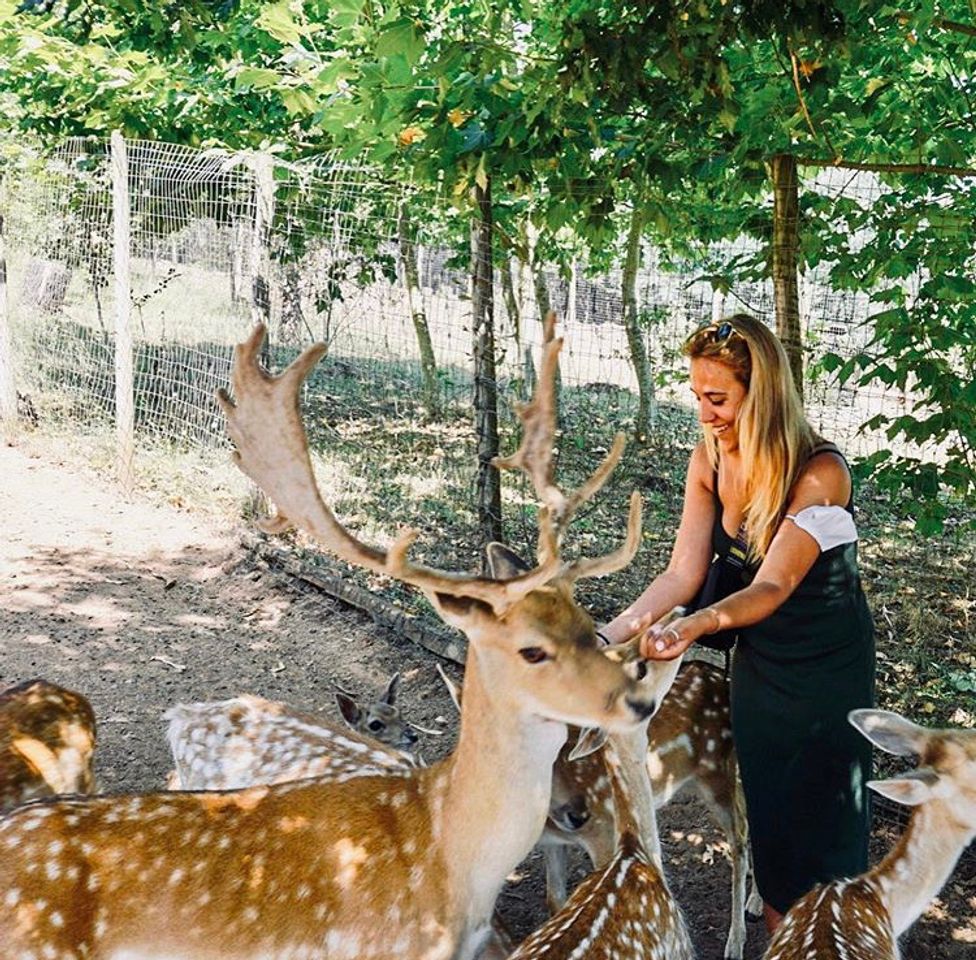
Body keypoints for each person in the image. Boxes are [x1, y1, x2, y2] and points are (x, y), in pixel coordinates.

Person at [599, 313, 875, 933]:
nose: (704, 413)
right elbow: (681, 575)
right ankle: (785, 937)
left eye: (718, 398)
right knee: (773, 816)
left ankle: (832, 936)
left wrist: (695, 627)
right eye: (697, 396)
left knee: (828, 823)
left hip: (825, 670)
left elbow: (773, 585)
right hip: (759, 664)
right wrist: (606, 636)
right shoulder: (709, 460)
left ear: (764, 394)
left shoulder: (819, 473)